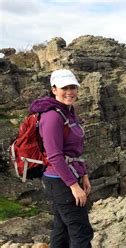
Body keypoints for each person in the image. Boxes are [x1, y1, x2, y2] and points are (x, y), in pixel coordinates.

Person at [29, 69, 94, 247]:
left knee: (62, 229)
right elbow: (55, 156)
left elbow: (75, 150)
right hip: (60, 181)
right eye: (65, 87)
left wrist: (84, 175)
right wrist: (74, 186)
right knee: (81, 232)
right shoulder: (52, 116)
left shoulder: (68, 111)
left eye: (73, 87)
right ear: (54, 89)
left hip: (67, 177)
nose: (70, 91)